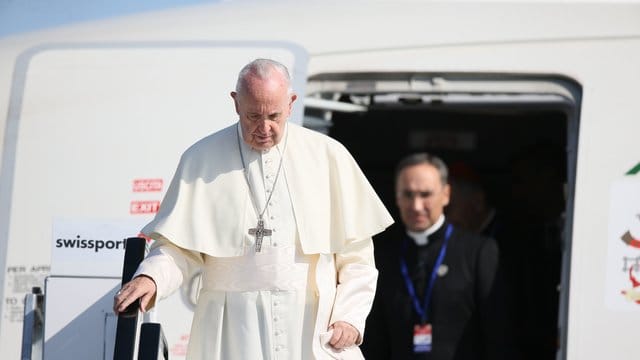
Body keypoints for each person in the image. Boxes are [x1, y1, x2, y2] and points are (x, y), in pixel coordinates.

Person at [113, 58, 393, 359]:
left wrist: (349, 316)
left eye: (274, 116)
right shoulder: (202, 159)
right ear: (235, 104)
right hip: (231, 329)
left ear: (291, 103)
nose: (263, 128)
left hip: (312, 328)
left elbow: (357, 258)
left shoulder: (328, 156)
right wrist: (151, 277)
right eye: (252, 116)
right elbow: (179, 248)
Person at [361, 153, 516, 360]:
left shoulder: (478, 251)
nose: (416, 206)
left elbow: (498, 334)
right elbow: (374, 337)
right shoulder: (384, 256)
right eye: (408, 194)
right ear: (397, 197)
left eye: (425, 194)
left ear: (446, 195)